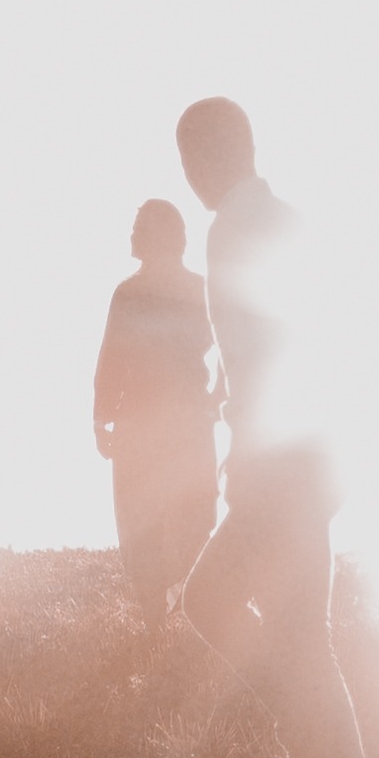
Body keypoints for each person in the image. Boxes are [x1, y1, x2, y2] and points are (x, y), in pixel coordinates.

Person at [164, 94, 367, 758]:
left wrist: (242, 465)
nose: (188, 178)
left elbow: (263, 356)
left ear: (209, 157)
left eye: (189, 161)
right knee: (304, 631)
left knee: (211, 600)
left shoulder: (228, 230)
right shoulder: (290, 221)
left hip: (275, 467)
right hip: (309, 462)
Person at [91, 197, 218, 598]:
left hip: (142, 425)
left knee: (142, 529)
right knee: (193, 522)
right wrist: (216, 397)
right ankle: (186, 629)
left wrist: (101, 419)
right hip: (189, 421)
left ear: (154, 237)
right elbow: (230, 348)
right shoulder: (200, 289)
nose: (130, 234)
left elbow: (111, 359)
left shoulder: (129, 293)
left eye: (138, 226)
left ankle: (155, 632)